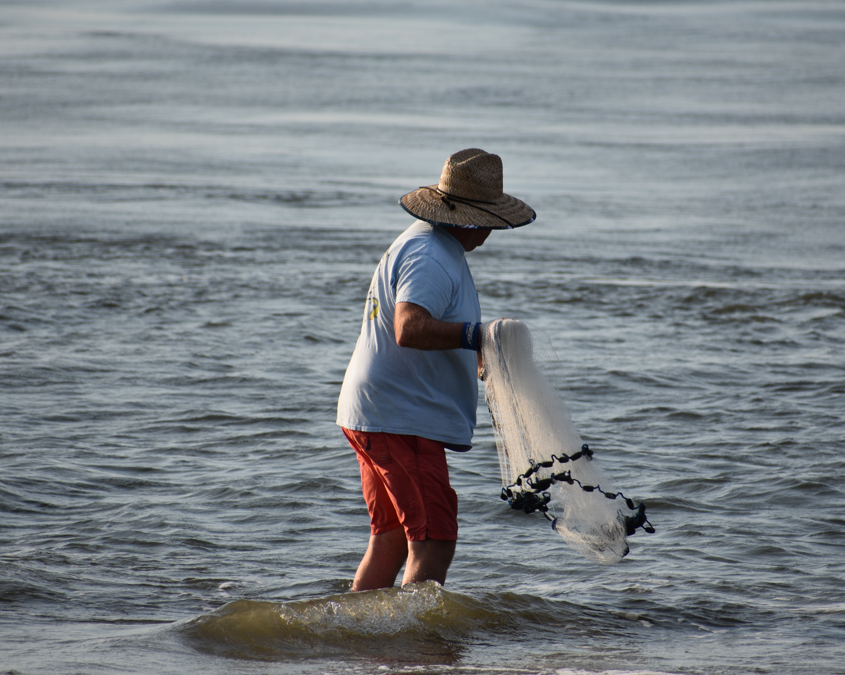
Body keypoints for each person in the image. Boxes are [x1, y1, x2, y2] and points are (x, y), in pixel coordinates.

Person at [336, 148, 536, 591]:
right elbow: (409, 327)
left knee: (390, 536)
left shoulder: (426, 242)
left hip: (375, 412)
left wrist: (474, 348)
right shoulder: (431, 254)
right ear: (469, 218)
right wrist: (477, 337)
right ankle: (418, 652)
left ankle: (365, 647)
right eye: (487, 221)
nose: (489, 233)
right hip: (400, 419)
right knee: (434, 539)